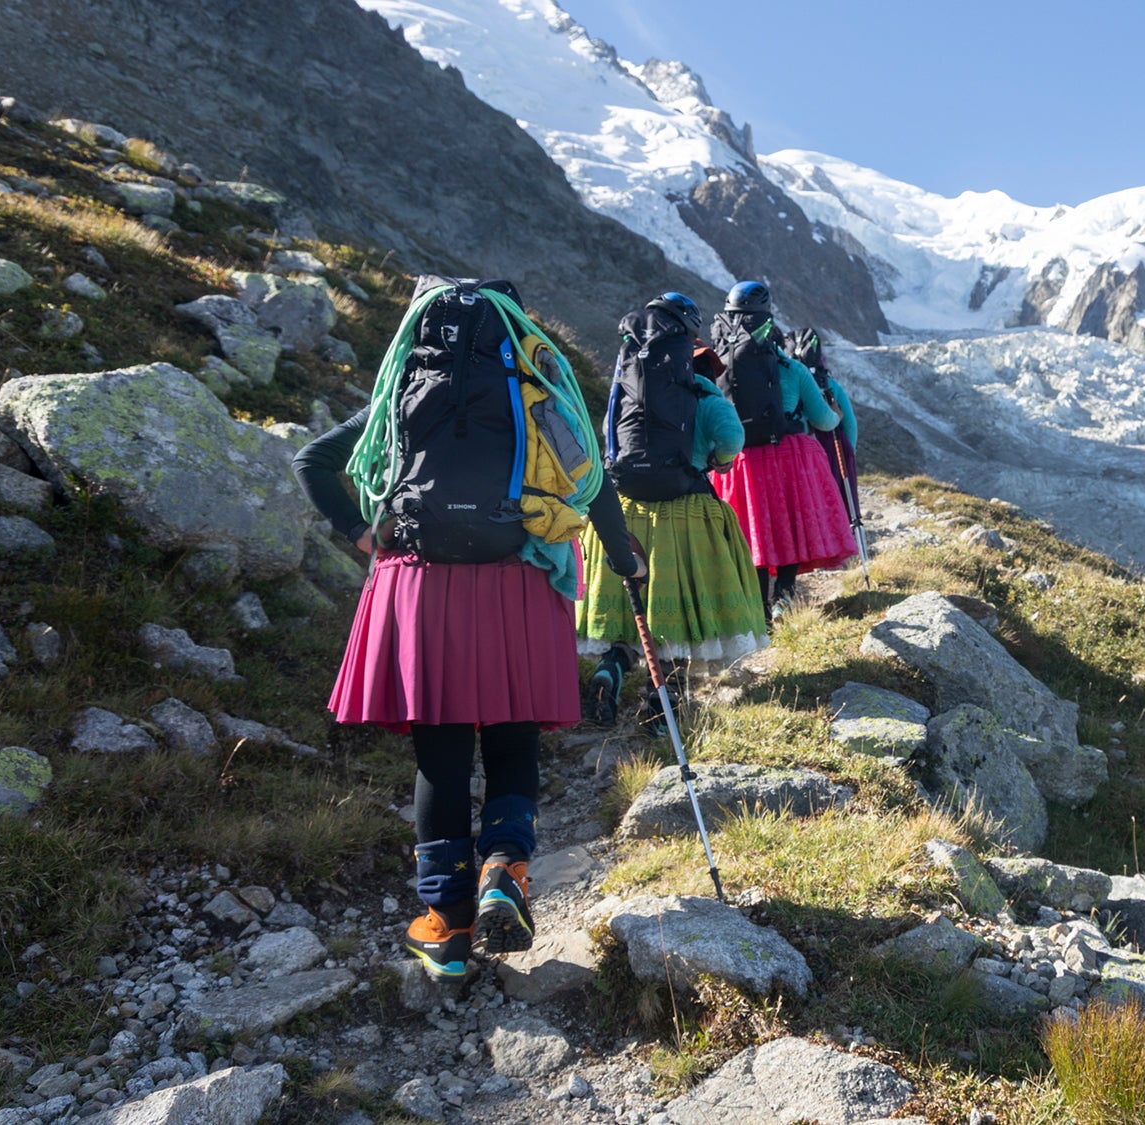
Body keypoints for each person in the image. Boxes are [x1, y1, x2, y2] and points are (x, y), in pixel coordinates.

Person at [293, 277, 644, 982]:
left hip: (421, 584)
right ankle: (503, 872)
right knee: (513, 738)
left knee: (440, 756)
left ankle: (444, 924)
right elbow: (593, 479)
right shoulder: (536, 387)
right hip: (518, 581)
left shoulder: (402, 390)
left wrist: (365, 536)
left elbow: (312, 462)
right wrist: (627, 558)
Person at [579, 292, 768, 728]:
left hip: (623, 513)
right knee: (676, 621)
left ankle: (612, 667)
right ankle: (664, 710)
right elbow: (733, 441)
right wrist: (715, 459)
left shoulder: (624, 393)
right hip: (684, 514)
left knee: (631, 608)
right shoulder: (705, 398)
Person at [705, 281, 856, 618]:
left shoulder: (716, 366)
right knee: (789, 524)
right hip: (788, 455)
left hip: (739, 461)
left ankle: (758, 609)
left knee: (754, 532)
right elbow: (824, 422)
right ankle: (785, 597)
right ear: (768, 320)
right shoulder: (792, 369)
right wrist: (838, 415)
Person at [787, 325, 861, 530]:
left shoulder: (789, 382)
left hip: (798, 453)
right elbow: (850, 424)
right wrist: (848, 454)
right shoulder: (831, 386)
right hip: (832, 454)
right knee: (833, 500)